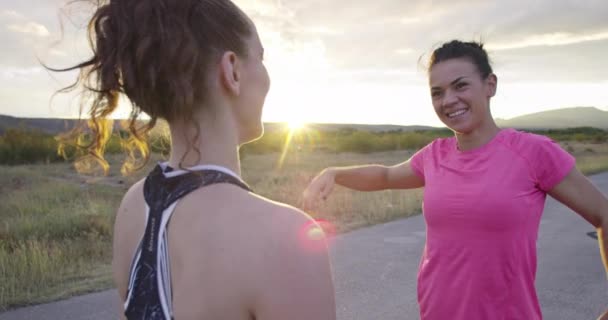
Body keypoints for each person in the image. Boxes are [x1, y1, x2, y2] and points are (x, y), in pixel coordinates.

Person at [51, 0, 336, 319]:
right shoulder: (284, 235)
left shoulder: (134, 207)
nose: (267, 76)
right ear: (232, 70)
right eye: (260, 56)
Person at [302, 40, 608, 320]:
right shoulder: (434, 155)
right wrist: (336, 173)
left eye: (460, 86)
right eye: (437, 92)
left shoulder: (533, 152)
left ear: (490, 85)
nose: (448, 100)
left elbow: (603, 215)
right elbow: (384, 175)